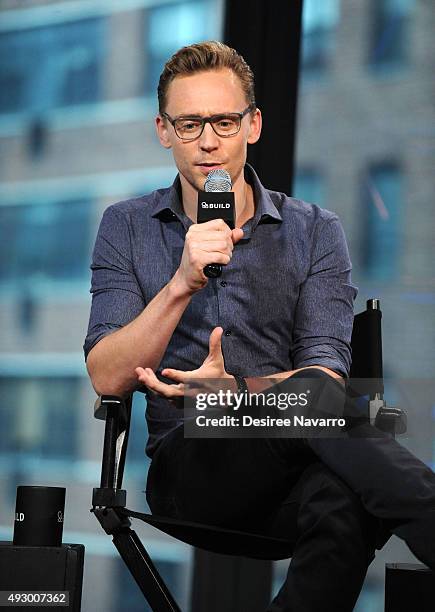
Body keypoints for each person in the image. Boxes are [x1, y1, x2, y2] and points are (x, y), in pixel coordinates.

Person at [84, 41, 435, 611]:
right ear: (163, 131)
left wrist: (238, 396)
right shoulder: (126, 227)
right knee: (331, 441)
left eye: (224, 121)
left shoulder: (316, 230)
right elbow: (106, 377)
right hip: (191, 468)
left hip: (296, 467)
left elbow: (326, 377)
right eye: (190, 123)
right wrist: (181, 284)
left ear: (254, 125)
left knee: (342, 502)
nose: (208, 141)